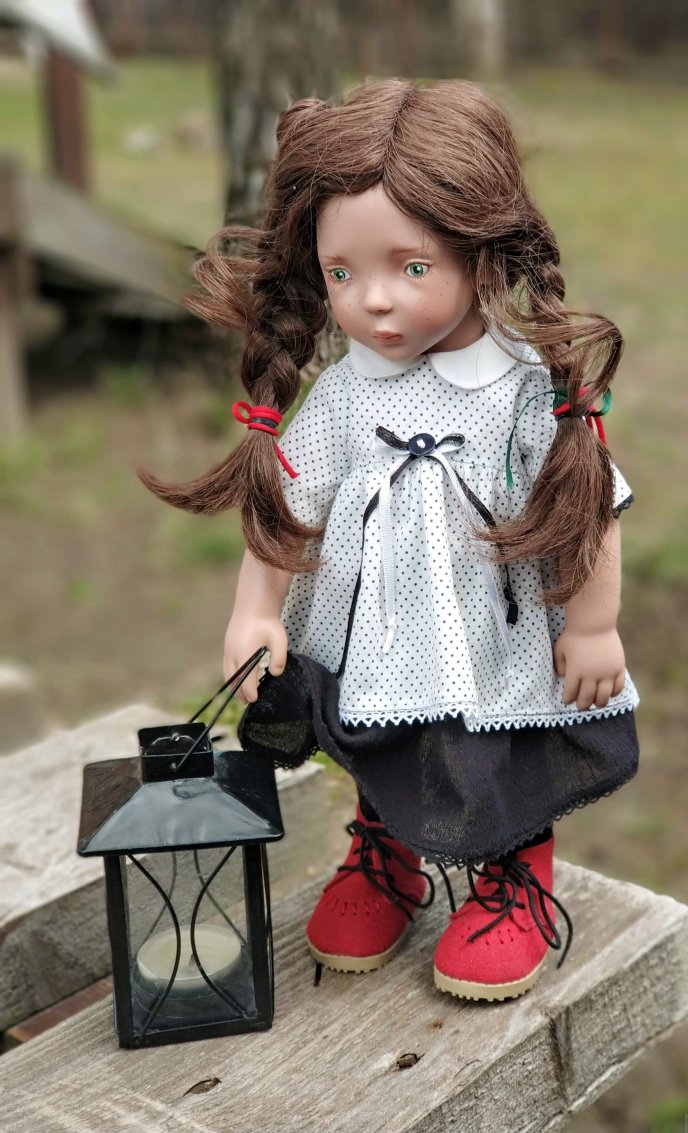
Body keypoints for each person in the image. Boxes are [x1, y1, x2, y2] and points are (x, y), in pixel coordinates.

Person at [142, 78, 639, 1002]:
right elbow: (288, 503)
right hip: (375, 628)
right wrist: (255, 609)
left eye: (411, 267)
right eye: (342, 273)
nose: (373, 302)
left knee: (500, 749)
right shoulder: (345, 392)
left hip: (495, 633)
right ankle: (388, 851)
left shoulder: (525, 394)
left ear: (481, 246)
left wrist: (594, 624)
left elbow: (587, 508)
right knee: (382, 734)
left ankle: (514, 871)